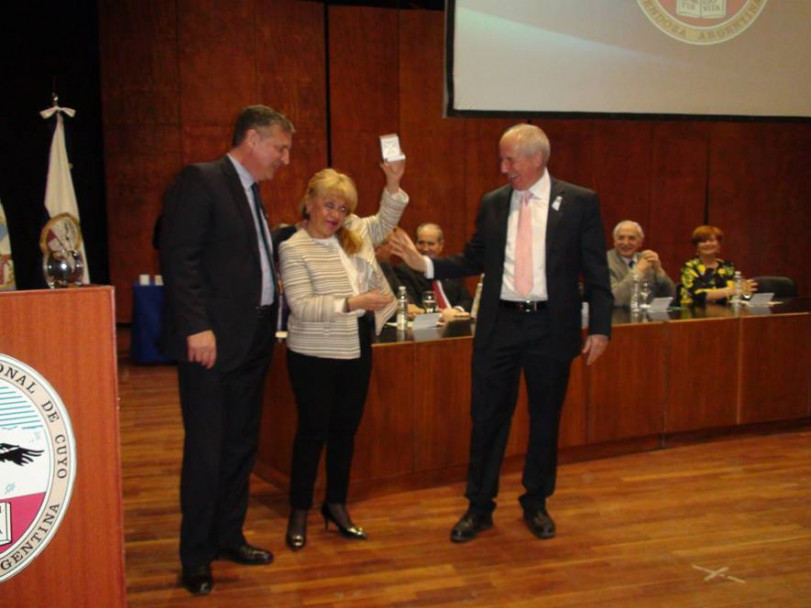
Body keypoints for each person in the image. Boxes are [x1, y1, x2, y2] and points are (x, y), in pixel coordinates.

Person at [391, 123, 612, 543]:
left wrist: (600, 328)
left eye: (510, 159)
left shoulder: (580, 201)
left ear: (537, 159)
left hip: (551, 327)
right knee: (488, 417)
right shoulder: (493, 202)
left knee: (545, 418)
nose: (502, 167)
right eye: (502, 158)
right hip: (500, 325)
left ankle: (536, 501)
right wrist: (426, 265)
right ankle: (479, 506)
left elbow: (595, 270)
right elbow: (476, 257)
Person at [160, 105, 294, 596]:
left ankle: (228, 536)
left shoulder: (251, 192)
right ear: (253, 139)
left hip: (254, 339)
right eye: (280, 148)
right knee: (207, 451)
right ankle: (195, 555)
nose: (284, 159)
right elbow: (180, 257)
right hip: (212, 345)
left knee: (240, 445)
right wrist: (196, 327)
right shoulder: (202, 180)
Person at [279, 161, 407, 552]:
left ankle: (335, 505)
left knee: (345, 433)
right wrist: (355, 302)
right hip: (313, 353)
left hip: (355, 347)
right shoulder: (293, 246)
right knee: (312, 432)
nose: (336, 215)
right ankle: (299, 511)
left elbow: (385, 220)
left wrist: (393, 181)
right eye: (329, 205)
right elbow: (301, 306)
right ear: (309, 202)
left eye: (343, 208)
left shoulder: (352, 232)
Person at [396, 222, 473, 321]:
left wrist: (456, 310)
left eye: (430, 244)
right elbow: (413, 306)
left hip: (455, 324)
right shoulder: (404, 271)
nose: (425, 248)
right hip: (426, 326)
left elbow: (466, 300)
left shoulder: (449, 268)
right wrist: (441, 315)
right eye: (421, 243)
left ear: (441, 245)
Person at [679, 225, 756, 306]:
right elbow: (699, 295)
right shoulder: (689, 267)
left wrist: (745, 291)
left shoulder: (727, 267)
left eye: (711, 240)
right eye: (703, 241)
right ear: (697, 246)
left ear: (719, 244)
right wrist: (731, 290)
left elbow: (736, 293)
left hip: (725, 312)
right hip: (694, 313)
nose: (707, 244)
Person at [607, 220, 676, 306]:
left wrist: (659, 271)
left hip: (648, 318)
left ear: (640, 242)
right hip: (618, 317)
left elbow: (671, 297)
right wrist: (638, 271)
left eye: (631, 238)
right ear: (614, 241)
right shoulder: (605, 262)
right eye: (621, 238)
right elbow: (615, 299)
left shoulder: (646, 259)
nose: (625, 243)